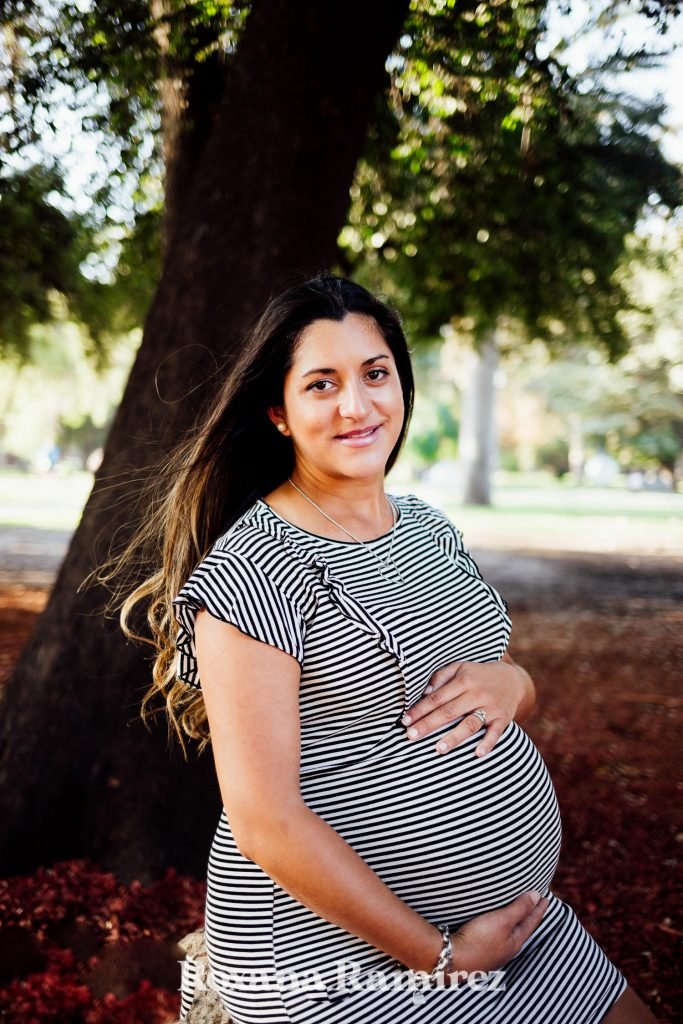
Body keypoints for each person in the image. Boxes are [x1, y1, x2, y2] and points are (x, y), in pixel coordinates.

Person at [122, 273, 657, 1023]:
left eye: (375, 374)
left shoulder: (426, 527)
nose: (357, 405)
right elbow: (265, 819)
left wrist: (517, 686)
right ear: (278, 413)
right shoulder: (255, 569)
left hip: (506, 930)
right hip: (332, 962)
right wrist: (440, 959)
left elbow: (492, 681)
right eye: (321, 384)